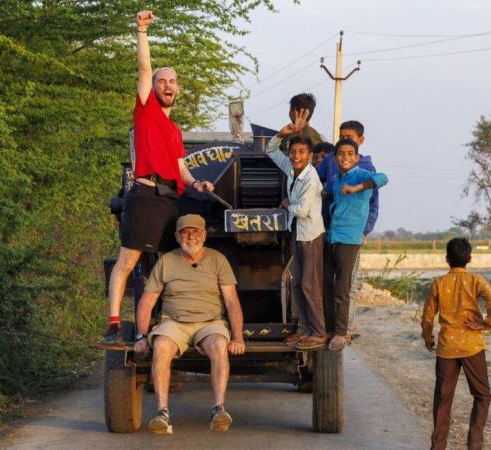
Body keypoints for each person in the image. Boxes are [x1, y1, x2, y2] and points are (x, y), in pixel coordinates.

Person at [104, 10, 214, 344]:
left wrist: (196, 183)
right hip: (146, 195)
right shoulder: (145, 109)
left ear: (177, 89)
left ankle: (169, 322)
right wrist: (141, 31)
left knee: (170, 262)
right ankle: (113, 324)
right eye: (161, 81)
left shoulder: (175, 129)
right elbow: (143, 68)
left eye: (172, 81)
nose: (167, 85)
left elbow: (180, 167)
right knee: (128, 260)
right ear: (152, 88)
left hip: (171, 200)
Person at [133, 214, 246, 434]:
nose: (190, 237)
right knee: (161, 346)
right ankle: (162, 412)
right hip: (174, 323)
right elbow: (147, 301)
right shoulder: (166, 261)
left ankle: (218, 409)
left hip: (210, 322)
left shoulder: (217, 259)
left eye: (195, 232)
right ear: (177, 236)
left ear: (204, 235)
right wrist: (141, 335)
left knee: (219, 345)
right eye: (185, 232)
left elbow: (232, 301)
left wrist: (238, 337)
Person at [421, 237, 491, 450]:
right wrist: (486, 323)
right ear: (469, 258)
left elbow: (428, 316)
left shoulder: (438, 283)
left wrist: (428, 338)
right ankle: (475, 444)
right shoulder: (476, 280)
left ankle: (438, 447)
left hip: (447, 348)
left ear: (447, 259)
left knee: (443, 399)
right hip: (472, 346)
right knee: (482, 395)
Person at [266, 122, 327, 350]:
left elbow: (301, 210)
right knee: (299, 284)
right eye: (292, 152)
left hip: (310, 237)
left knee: (310, 285)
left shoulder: (311, 179)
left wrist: (286, 203)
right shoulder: (292, 169)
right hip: (298, 235)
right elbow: (271, 151)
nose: (296, 156)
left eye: (301, 152)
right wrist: (281, 135)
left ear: (310, 156)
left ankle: (319, 331)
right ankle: (303, 330)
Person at [324, 138, 388, 350]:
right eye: (341, 154)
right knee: (327, 285)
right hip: (332, 236)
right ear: (335, 157)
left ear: (357, 157)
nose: (345, 157)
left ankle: (341, 332)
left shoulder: (362, 174)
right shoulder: (336, 179)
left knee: (342, 287)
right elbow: (331, 196)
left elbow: (383, 178)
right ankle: (328, 328)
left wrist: (358, 188)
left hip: (349, 239)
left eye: (350, 154)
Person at [317, 120, 378, 237]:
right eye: (342, 137)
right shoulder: (330, 160)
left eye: (350, 137)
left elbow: (373, 201)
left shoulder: (367, 168)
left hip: (351, 231)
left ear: (361, 140)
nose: (345, 140)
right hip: (325, 226)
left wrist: (365, 230)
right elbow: (314, 178)